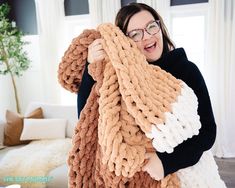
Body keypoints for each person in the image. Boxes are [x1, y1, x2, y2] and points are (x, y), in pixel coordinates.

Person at [77, 2, 216, 181]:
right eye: (135, 34)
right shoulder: (121, 79)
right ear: (124, 41)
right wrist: (90, 68)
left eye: (151, 26)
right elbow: (86, 120)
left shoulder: (187, 70)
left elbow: (208, 132)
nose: (147, 36)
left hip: (187, 174)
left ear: (160, 27)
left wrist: (166, 162)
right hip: (135, 179)